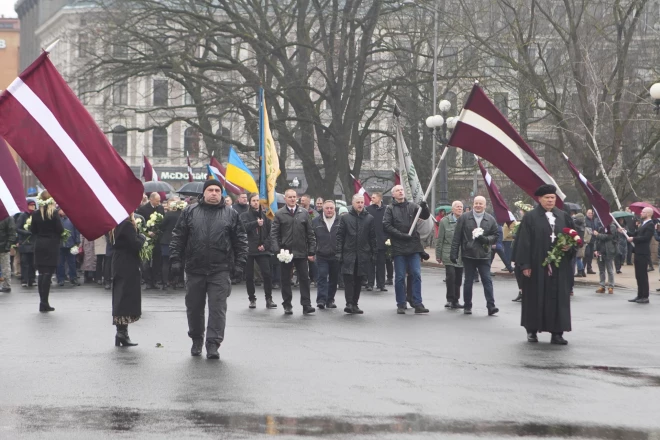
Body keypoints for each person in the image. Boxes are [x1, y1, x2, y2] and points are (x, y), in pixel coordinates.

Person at [170, 180, 248, 359]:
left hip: (220, 269)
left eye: (217, 190)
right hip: (194, 269)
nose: (214, 193)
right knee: (194, 307)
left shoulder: (231, 214)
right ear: (203, 193)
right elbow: (178, 237)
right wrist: (175, 260)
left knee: (217, 309)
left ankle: (213, 343)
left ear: (221, 194)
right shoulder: (190, 212)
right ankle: (196, 339)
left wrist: (239, 264)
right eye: (210, 190)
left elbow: (241, 241)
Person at [515, 184, 576, 345]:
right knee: (535, 297)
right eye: (547, 198)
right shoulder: (530, 217)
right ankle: (532, 330)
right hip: (536, 266)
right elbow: (523, 242)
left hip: (559, 266)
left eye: (553, 198)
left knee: (559, 299)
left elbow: (574, 236)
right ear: (539, 199)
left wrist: (570, 246)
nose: (550, 201)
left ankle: (557, 333)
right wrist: (525, 265)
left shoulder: (563, 216)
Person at [383, 185, 430, 314]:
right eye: (398, 190)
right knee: (399, 277)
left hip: (413, 246)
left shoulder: (413, 206)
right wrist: (401, 235)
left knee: (416, 273)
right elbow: (386, 225)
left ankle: (417, 302)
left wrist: (424, 206)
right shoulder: (390, 209)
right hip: (398, 247)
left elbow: (425, 216)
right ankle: (401, 303)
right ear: (393, 194)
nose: (400, 192)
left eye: (402, 190)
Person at [450, 196, 499, 316]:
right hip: (469, 254)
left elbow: (496, 235)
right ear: (473, 204)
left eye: (480, 204)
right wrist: (454, 253)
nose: (478, 205)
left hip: (484, 255)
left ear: (485, 205)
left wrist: (486, 239)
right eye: (476, 203)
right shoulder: (464, 218)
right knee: (468, 281)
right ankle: (467, 305)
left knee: (487, 280)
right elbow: (457, 236)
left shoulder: (491, 219)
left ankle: (491, 306)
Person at [271, 189, 317, 315]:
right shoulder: (279, 214)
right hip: (285, 252)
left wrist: (312, 250)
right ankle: (287, 304)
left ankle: (306, 304)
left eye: (294, 197)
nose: (292, 199)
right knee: (285, 279)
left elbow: (310, 233)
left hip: (301, 252)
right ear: (285, 199)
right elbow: (274, 234)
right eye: (289, 197)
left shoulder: (304, 213)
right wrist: (277, 250)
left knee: (304, 279)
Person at [336, 194, 377, 314]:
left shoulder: (369, 218)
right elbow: (340, 237)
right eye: (358, 202)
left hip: (363, 254)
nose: (360, 204)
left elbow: (372, 237)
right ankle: (348, 303)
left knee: (359, 280)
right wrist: (339, 253)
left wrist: (374, 253)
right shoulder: (345, 218)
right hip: (348, 253)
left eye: (362, 202)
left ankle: (355, 303)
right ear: (353, 203)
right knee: (348, 279)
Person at [111, 214, 146, 347]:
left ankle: (121, 332)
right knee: (125, 296)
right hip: (127, 262)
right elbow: (135, 244)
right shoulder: (126, 225)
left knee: (120, 294)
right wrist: (142, 237)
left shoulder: (114, 225)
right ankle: (122, 333)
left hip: (119, 261)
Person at [240, 193, 276, 309]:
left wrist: (265, 245)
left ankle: (269, 298)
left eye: (257, 200)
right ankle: (252, 298)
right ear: (250, 202)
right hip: (249, 249)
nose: (256, 202)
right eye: (254, 200)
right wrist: (256, 223)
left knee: (267, 274)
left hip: (262, 250)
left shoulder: (265, 216)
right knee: (249, 276)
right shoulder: (244, 215)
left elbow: (271, 233)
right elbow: (242, 228)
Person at [31, 191, 64, 312]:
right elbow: (60, 229)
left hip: (39, 244)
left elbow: (32, 230)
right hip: (51, 245)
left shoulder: (35, 214)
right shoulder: (54, 213)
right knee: (48, 273)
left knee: (41, 273)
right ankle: (45, 302)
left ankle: (42, 302)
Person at [621, 207, 654, 304]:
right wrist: (625, 232)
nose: (641, 213)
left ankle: (645, 296)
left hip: (643, 253)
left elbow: (645, 238)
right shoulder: (643, 224)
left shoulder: (650, 224)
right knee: (638, 275)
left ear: (648, 214)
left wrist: (633, 239)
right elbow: (635, 234)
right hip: (638, 252)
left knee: (643, 275)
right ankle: (639, 295)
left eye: (643, 212)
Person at [312, 200, 340, 309]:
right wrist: (312, 251)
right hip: (321, 254)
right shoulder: (316, 221)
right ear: (323, 209)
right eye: (327, 208)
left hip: (336, 254)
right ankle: (321, 300)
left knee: (334, 278)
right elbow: (312, 238)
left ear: (334, 209)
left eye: (331, 208)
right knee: (322, 276)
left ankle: (330, 300)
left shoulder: (341, 221)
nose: (329, 210)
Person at [436, 201, 464, 309]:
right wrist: (438, 255)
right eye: (457, 207)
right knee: (451, 276)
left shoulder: (465, 220)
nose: (460, 209)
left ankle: (456, 300)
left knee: (458, 278)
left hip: (461, 254)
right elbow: (440, 239)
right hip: (448, 252)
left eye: (461, 207)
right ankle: (450, 299)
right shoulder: (444, 221)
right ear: (452, 209)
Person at [137, 193, 165, 289]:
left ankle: (156, 280)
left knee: (157, 260)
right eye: (157, 201)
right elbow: (140, 224)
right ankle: (147, 281)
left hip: (157, 238)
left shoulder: (160, 208)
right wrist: (147, 232)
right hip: (147, 239)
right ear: (151, 200)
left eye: (159, 200)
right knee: (146, 261)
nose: (159, 202)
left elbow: (163, 222)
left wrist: (157, 231)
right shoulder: (143, 209)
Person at [365, 192, 388, 292]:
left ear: (379, 198)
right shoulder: (368, 209)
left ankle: (381, 284)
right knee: (370, 264)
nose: (372, 199)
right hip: (370, 241)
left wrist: (387, 238)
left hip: (382, 241)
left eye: (374, 197)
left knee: (381, 264)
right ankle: (370, 283)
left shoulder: (386, 210)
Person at [160, 199, 185, 290]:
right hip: (179, 241)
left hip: (166, 240)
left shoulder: (169, 214)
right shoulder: (184, 215)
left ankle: (165, 282)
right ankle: (178, 281)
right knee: (179, 261)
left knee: (166, 262)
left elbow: (162, 226)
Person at [57, 209, 81, 287]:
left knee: (72, 262)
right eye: (61, 210)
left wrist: (77, 241)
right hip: (60, 244)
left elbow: (76, 230)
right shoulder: (57, 219)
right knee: (60, 263)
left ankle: (73, 278)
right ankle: (60, 279)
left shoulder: (71, 219)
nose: (63, 211)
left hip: (70, 243)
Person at [16, 200, 36, 287]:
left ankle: (32, 279)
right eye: (31, 205)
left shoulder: (36, 215)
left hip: (33, 242)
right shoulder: (23, 215)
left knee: (33, 262)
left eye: (34, 205)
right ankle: (24, 279)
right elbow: (17, 228)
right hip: (24, 242)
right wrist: (25, 232)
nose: (33, 207)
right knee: (24, 262)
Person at [593, 222, 617, 294]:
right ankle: (602, 286)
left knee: (610, 270)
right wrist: (595, 250)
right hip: (600, 251)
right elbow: (596, 240)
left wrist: (598, 234)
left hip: (608, 251)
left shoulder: (612, 227)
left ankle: (611, 286)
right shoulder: (601, 227)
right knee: (601, 270)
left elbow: (608, 237)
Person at [0, 214, 16, 293]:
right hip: (3, 245)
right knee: (5, 267)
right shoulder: (8, 217)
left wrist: (8, 245)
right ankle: (6, 285)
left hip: (3, 247)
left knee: (5, 267)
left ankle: (7, 285)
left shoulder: (8, 218)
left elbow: (12, 232)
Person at [584, 209, 600, 275]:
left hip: (592, 240)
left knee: (590, 255)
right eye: (589, 213)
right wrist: (592, 232)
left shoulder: (593, 221)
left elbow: (595, 228)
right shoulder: (585, 220)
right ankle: (582, 269)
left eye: (591, 213)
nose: (590, 214)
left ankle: (589, 268)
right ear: (586, 213)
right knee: (586, 254)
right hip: (587, 240)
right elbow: (586, 229)